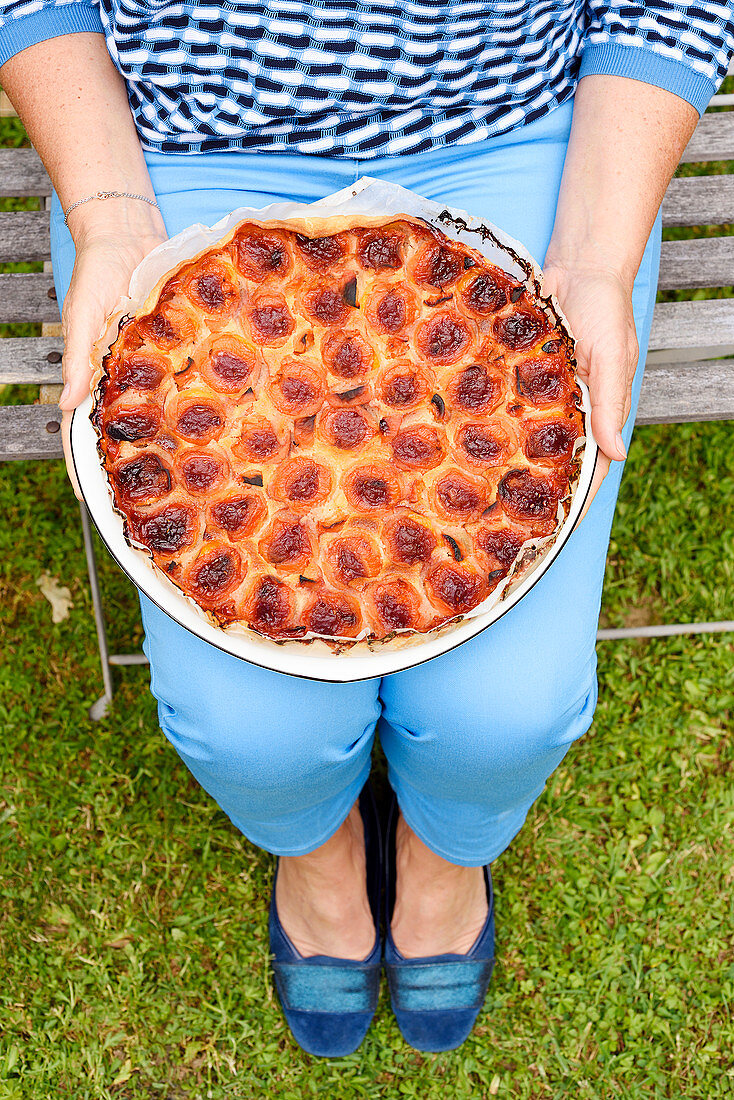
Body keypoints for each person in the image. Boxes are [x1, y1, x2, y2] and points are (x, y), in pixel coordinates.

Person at [2, 0, 732, 1058]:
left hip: (524, 141)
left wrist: (598, 260)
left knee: (508, 714)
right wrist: (111, 214)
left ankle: (443, 853)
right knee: (249, 728)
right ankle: (317, 849)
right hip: (170, 148)